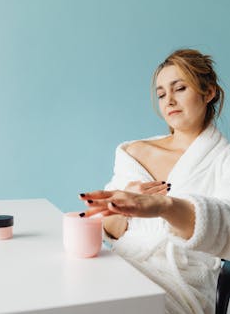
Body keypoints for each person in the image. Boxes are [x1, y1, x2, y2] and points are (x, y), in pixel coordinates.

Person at [79, 49, 230, 314]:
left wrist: (165, 207)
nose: (169, 100)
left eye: (180, 88)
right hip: (121, 264)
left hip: (180, 281)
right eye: (161, 94)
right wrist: (120, 205)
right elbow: (112, 232)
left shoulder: (224, 160)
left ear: (209, 93)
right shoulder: (133, 152)